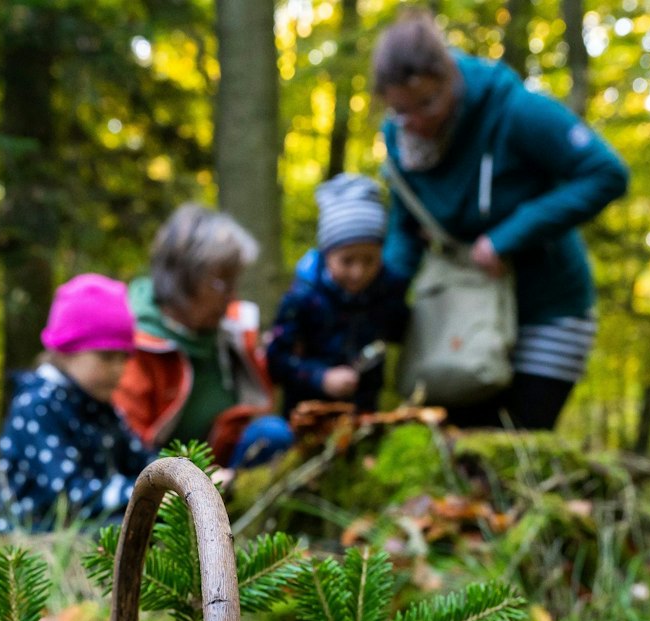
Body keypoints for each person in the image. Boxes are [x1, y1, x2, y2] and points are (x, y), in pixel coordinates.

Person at [374, 9, 629, 430]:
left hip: (546, 308)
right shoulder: (400, 142)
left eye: (427, 103)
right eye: (402, 110)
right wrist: (381, 298)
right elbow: (404, 228)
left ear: (450, 76)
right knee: (455, 443)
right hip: (462, 314)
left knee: (515, 442)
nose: (416, 121)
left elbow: (606, 173)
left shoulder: (515, 111)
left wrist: (507, 236)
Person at [117, 204, 291, 468]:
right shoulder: (134, 343)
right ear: (183, 278)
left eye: (235, 282)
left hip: (223, 470)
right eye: (222, 283)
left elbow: (261, 402)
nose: (232, 296)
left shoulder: (231, 330)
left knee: (273, 434)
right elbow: (128, 448)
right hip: (161, 477)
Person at [0, 274, 153, 533]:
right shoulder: (37, 406)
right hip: (37, 541)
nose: (118, 369)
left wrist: (184, 477)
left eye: (124, 357)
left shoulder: (101, 407)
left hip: (93, 528)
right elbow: (68, 494)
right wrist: (143, 492)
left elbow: (141, 460)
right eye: (106, 357)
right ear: (67, 350)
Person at [266, 174, 411, 415]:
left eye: (369, 260)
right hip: (306, 415)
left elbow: (402, 331)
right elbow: (276, 361)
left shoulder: (386, 291)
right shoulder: (302, 298)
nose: (358, 272)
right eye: (347, 261)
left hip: (364, 414)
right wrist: (320, 377)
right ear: (327, 254)